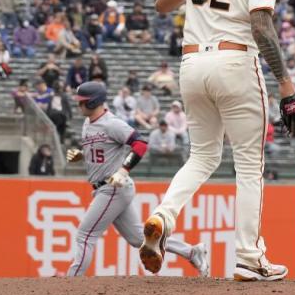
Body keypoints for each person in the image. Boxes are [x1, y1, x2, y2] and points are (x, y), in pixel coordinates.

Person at [139, 0, 295, 282]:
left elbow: (162, 4)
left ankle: (163, 216)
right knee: (249, 165)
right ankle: (249, 258)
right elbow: (260, 26)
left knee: (203, 155)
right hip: (235, 60)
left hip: (192, 64)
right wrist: (286, 82)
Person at [65, 82, 208, 277]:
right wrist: (83, 155)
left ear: (93, 102)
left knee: (85, 235)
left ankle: (71, 282)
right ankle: (191, 252)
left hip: (113, 186)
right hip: (105, 187)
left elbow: (140, 143)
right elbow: (103, 151)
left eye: (81, 102)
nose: (78, 106)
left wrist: (124, 170)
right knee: (137, 237)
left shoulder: (111, 123)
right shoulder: (88, 123)